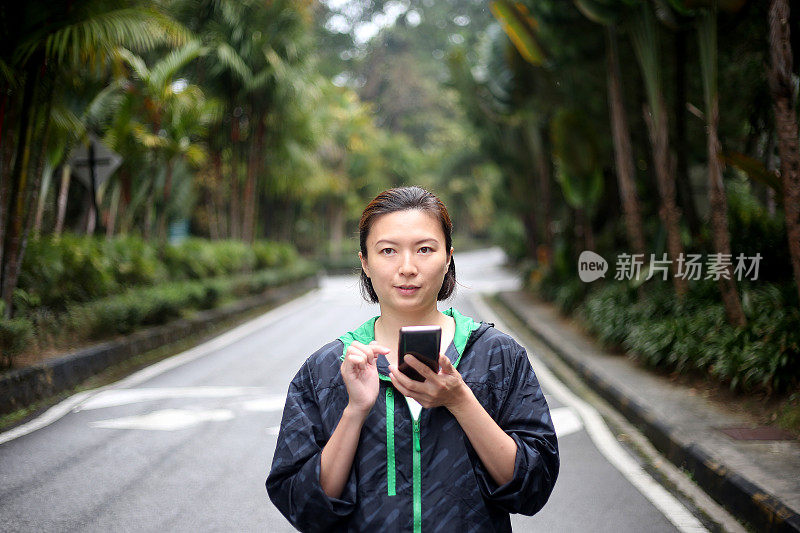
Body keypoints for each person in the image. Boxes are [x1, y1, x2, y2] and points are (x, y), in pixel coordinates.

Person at [266, 186, 559, 532]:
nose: (407, 268)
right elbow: (304, 508)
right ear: (365, 262)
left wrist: (460, 400)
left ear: (448, 257)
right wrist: (355, 411)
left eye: (424, 249)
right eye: (388, 251)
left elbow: (534, 486)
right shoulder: (328, 370)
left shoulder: (496, 356)